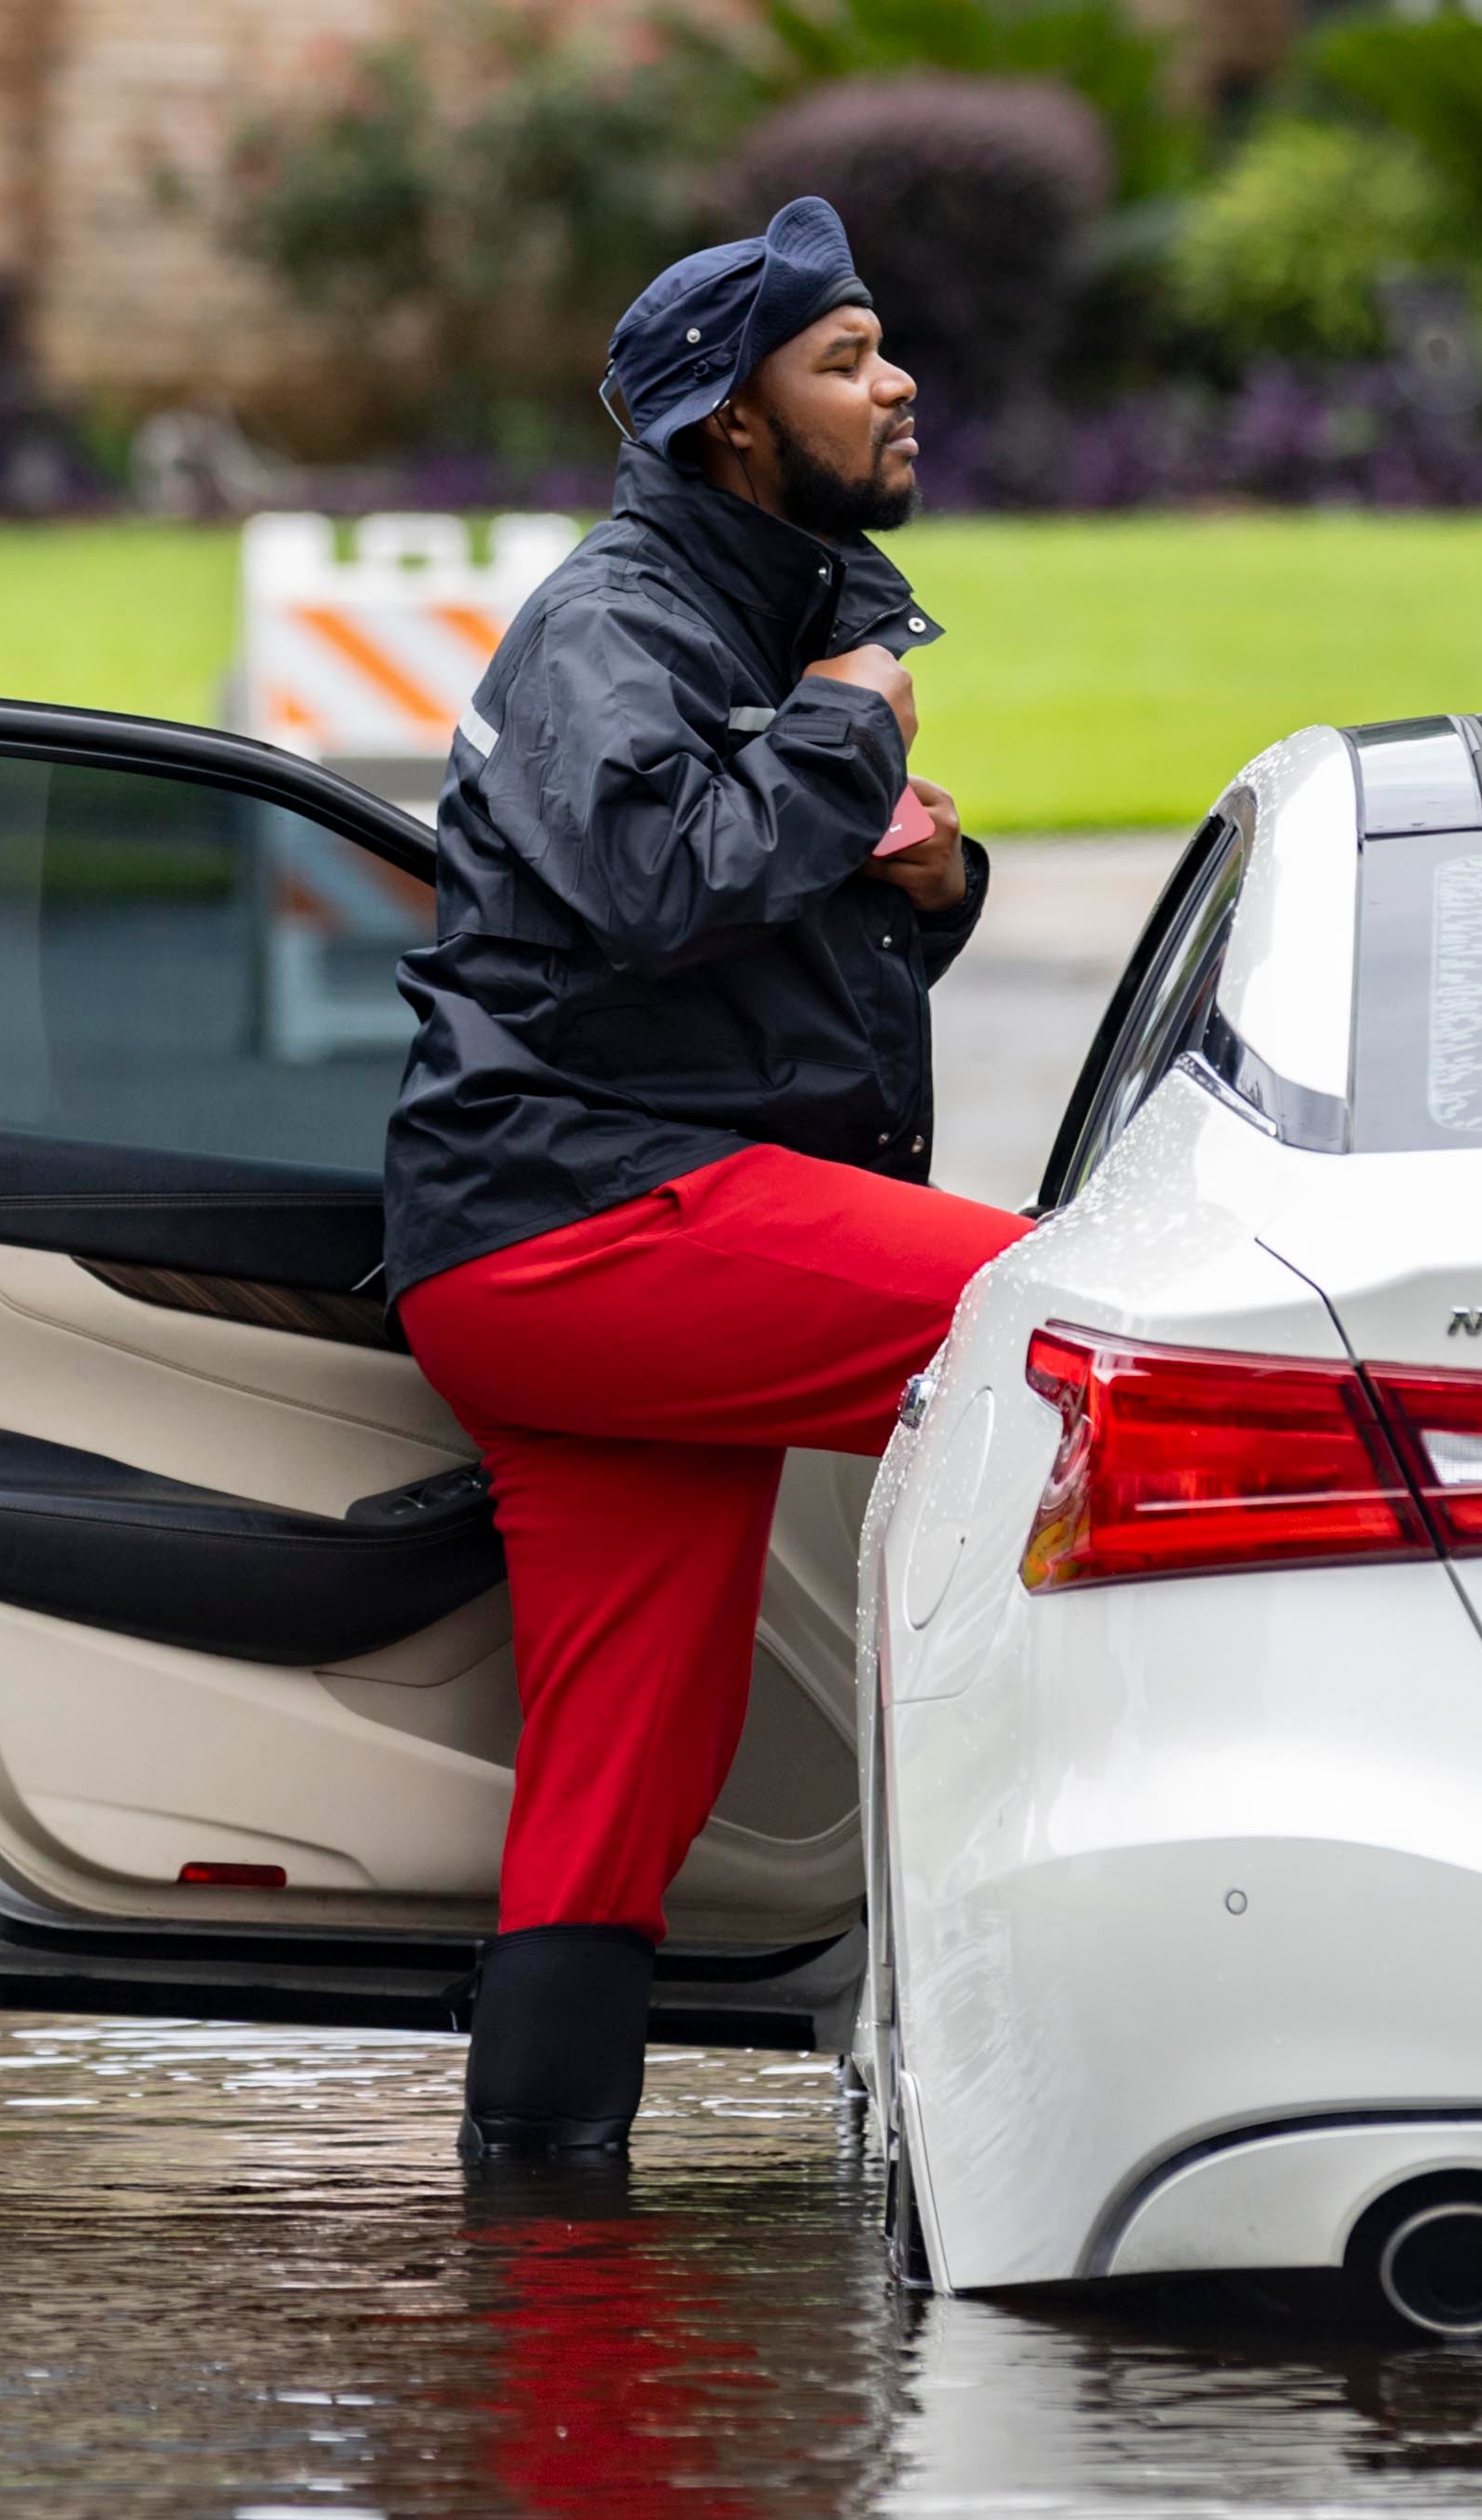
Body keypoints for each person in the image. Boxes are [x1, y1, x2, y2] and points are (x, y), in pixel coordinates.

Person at [384, 197, 1034, 2162]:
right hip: (576, 1217)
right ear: (730, 422)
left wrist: (934, 880)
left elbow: (734, 955)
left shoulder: (764, 610)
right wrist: (844, 736)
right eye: (843, 359)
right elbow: (656, 876)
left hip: (592, 1221)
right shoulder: (621, 623)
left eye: (880, 345)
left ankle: (542, 2220)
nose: (896, 382)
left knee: (625, 1770)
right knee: (1074, 1327)